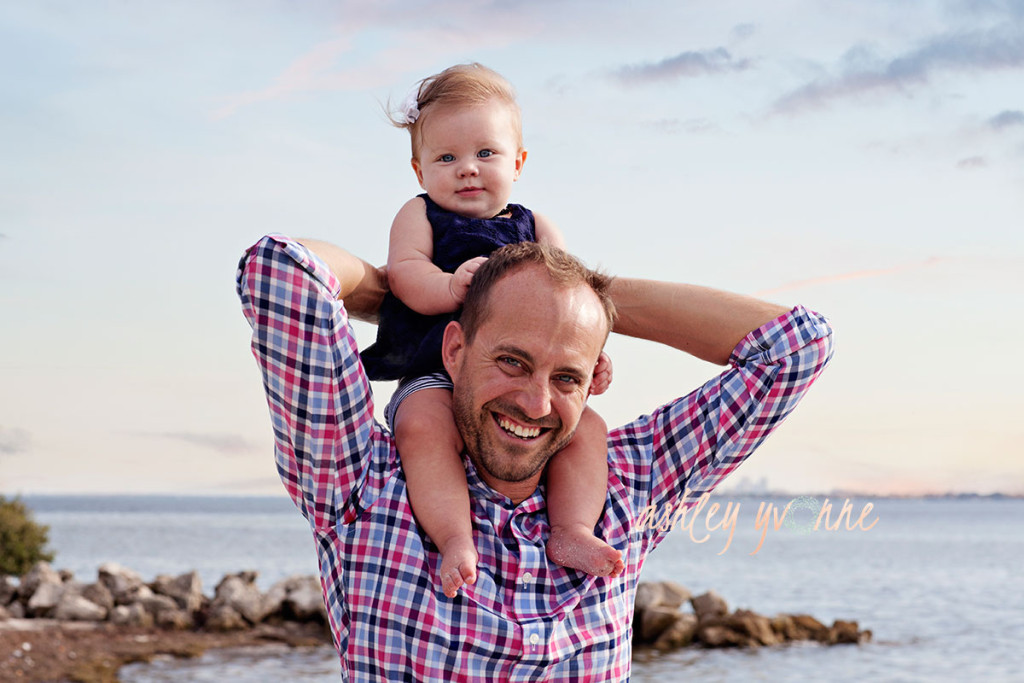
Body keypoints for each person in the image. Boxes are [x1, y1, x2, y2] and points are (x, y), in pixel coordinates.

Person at [237, 235, 834, 681]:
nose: (536, 401)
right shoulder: (360, 483)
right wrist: (421, 291)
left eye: (568, 376)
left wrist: (583, 295)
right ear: (455, 348)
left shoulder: (627, 486)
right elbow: (281, 272)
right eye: (512, 361)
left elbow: (796, 347)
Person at [359, 63, 620, 597]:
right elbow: (403, 273)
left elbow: (571, 305)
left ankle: (570, 529)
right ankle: (456, 536)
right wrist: (450, 288)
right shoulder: (420, 214)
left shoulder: (538, 228)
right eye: (446, 158)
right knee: (424, 426)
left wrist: (591, 356)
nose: (467, 170)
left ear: (518, 162)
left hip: (526, 375)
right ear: (419, 170)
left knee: (587, 429)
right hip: (433, 367)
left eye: (486, 154)